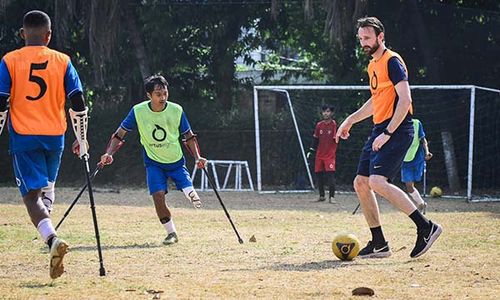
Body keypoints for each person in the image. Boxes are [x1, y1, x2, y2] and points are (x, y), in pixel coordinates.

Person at [335, 17, 442, 259]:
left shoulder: (392, 61)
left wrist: (387, 133)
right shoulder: (373, 65)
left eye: (368, 38)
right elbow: (376, 101)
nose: (363, 42)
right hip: (380, 129)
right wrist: (350, 119)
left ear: (380, 37)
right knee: (361, 183)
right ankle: (379, 242)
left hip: (398, 128)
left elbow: (405, 100)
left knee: (377, 181)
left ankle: (426, 227)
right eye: (361, 38)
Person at [0, 10, 89, 278]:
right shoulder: (63, 61)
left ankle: (52, 240)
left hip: (25, 137)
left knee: (30, 197)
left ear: (22, 34)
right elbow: (79, 103)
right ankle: (47, 224)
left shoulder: (9, 60)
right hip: (55, 136)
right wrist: (82, 139)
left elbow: (1, 102)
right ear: (49, 36)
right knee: (47, 186)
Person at [99, 75, 207, 245]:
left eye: (165, 93)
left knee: (186, 186)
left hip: (175, 160)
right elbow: (119, 134)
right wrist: (109, 153)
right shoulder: (138, 111)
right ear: (149, 95)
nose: (162, 97)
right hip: (153, 162)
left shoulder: (177, 110)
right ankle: (171, 233)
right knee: (158, 197)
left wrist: (197, 157)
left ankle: (190, 193)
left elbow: (189, 136)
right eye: (158, 94)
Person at [307, 104, 338, 203]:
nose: (326, 113)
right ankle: (321, 196)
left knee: (330, 176)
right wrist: (311, 150)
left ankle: (332, 197)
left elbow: (336, 139)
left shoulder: (333, 125)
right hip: (319, 155)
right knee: (319, 176)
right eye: (324, 111)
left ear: (332, 113)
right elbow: (315, 139)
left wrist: (334, 150)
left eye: (328, 111)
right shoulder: (319, 125)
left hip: (329, 155)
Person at [401, 118, 433, 213]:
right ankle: (421, 203)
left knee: (417, 180)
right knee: (409, 186)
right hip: (404, 160)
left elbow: (423, 140)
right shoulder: (395, 124)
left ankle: (420, 203)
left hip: (418, 158)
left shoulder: (417, 123)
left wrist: (427, 152)